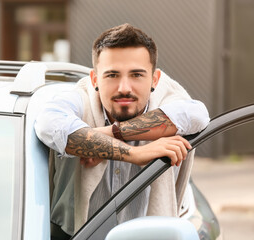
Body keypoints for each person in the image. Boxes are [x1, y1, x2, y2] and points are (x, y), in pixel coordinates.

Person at [35, 23, 210, 239]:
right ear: (95, 79)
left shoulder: (169, 98)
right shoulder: (78, 98)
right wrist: (134, 154)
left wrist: (107, 136)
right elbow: (49, 123)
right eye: (112, 75)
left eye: (136, 75)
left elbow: (197, 115)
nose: (124, 88)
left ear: (154, 79)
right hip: (73, 234)